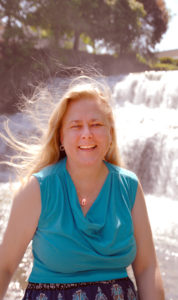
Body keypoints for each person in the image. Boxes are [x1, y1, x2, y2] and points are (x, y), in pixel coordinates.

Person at [0, 75, 165, 300]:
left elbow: (147, 269)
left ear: (110, 134)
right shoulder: (37, 190)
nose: (86, 133)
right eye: (76, 126)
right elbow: (5, 267)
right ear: (61, 136)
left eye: (96, 124)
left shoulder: (129, 187)